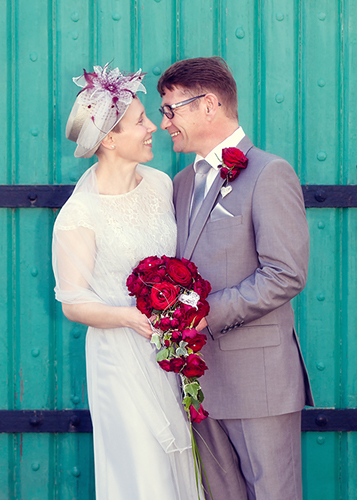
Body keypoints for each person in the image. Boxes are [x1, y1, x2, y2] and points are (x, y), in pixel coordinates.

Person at [157, 56, 314, 500]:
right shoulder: (182, 182)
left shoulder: (269, 172)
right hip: (199, 385)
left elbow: (285, 273)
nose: (164, 122)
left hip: (258, 382)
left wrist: (207, 313)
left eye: (171, 109)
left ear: (208, 104)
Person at [52, 63, 204, 500]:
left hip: (170, 351)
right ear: (110, 139)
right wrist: (129, 317)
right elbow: (72, 302)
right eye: (141, 121)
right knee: (142, 468)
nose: (154, 126)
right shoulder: (79, 215)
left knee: (179, 463)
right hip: (120, 357)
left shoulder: (159, 184)